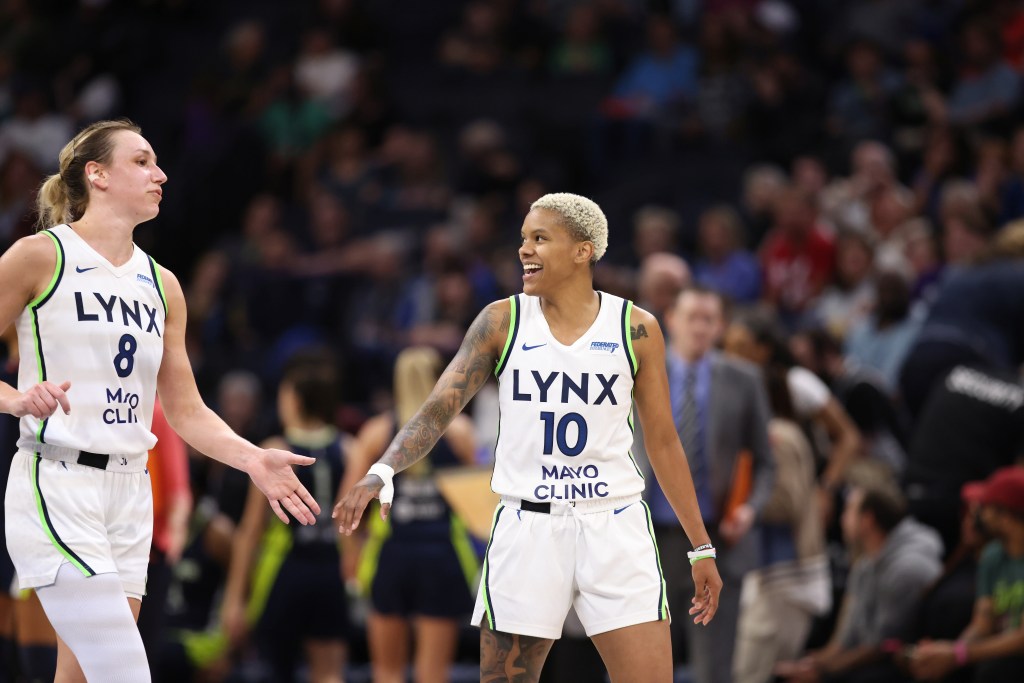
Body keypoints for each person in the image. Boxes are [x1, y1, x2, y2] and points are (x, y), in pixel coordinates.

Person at [336, 192, 723, 683]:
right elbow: (437, 407)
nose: (524, 249)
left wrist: (701, 547)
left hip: (615, 522)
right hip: (528, 525)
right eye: (523, 238)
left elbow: (664, 442)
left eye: (540, 238)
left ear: (582, 251)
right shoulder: (502, 320)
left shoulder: (636, 328)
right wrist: (383, 467)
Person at [0, 119, 321, 682]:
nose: (161, 174)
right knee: (125, 671)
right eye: (142, 161)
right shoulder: (39, 256)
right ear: (97, 175)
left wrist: (253, 459)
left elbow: (186, 410)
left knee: (82, 675)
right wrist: (15, 399)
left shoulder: (163, 284)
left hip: (131, 493)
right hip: (59, 482)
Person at [634, 285, 775, 683]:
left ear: (720, 326)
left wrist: (750, 509)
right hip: (651, 537)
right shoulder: (641, 373)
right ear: (671, 320)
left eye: (708, 319)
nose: (699, 327)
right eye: (691, 317)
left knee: (714, 668)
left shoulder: (744, 379)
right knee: (646, 664)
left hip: (719, 538)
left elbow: (766, 462)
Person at [343, 346, 477, 683]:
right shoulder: (460, 431)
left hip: (390, 554)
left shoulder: (376, 433)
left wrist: (351, 559)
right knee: (432, 674)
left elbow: (350, 504)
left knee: (387, 672)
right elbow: (480, 502)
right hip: (443, 555)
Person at [221, 352, 349, 683]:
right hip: (331, 570)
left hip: (283, 570)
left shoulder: (274, 449)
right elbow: (354, 527)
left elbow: (250, 531)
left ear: (294, 400)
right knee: (329, 673)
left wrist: (234, 599)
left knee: (276, 670)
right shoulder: (349, 448)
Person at [775, 481, 943, 683]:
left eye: (849, 510)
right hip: (865, 661)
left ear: (867, 520)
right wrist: (815, 662)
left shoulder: (907, 569)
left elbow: (882, 647)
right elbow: (845, 637)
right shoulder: (865, 563)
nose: (842, 518)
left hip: (894, 667)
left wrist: (824, 673)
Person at [910, 466, 1024, 683]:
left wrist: (959, 655)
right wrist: (948, 652)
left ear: (1006, 517)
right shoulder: (993, 556)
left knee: (998, 671)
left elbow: (1021, 640)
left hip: (1012, 663)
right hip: (999, 658)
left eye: (987, 507)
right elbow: (982, 624)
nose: (980, 514)